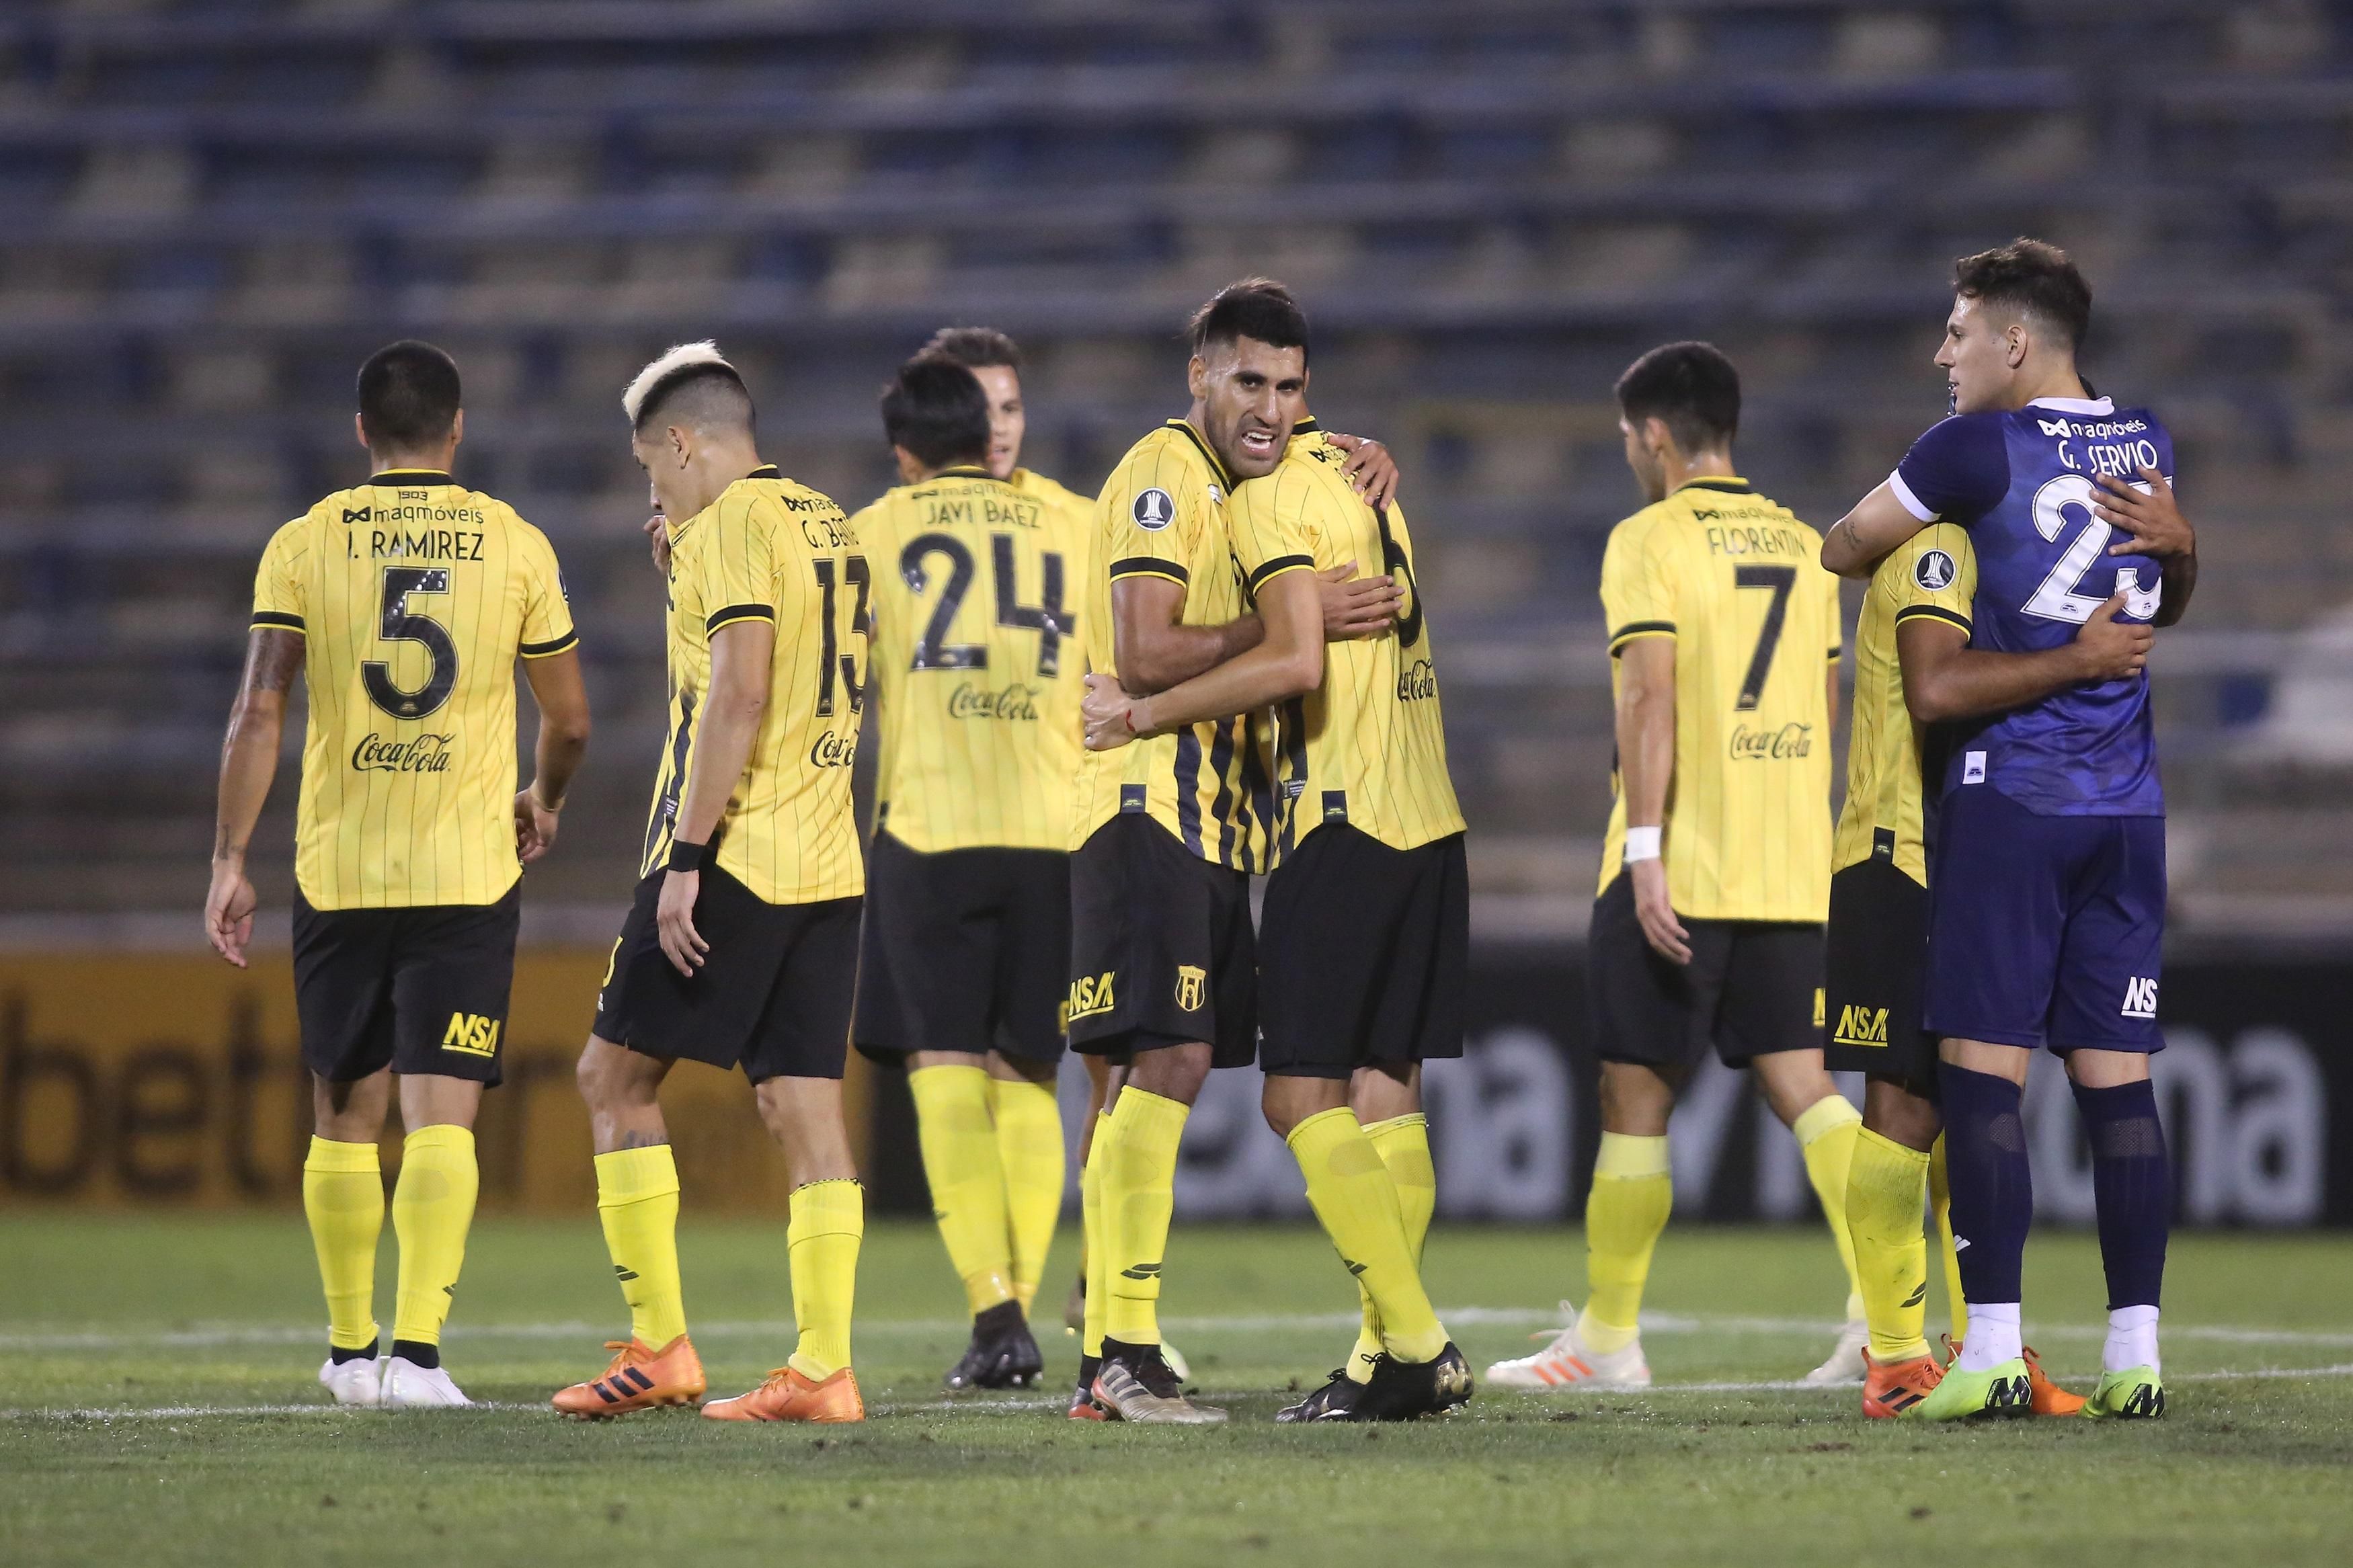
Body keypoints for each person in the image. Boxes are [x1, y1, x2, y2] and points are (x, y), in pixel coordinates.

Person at [1821, 239, 2196, 1420]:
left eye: (1958, 330)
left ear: (2014, 343)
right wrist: (2183, 554)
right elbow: (2160, 597)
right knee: (2119, 1088)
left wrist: (1939, 548)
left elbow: (1843, 542)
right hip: (2129, 807)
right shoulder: (2147, 443)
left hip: (2011, 799)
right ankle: (2138, 1354)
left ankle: (1987, 1348)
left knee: (1983, 1076)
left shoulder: (1974, 448)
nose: (1945, 352)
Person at [206, 339, 590, 1408]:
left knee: (342, 1108)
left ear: (360, 431)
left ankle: (345, 1347)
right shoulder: (514, 543)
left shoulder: (304, 542)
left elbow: (259, 708)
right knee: (442, 1115)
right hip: (466, 868)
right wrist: (545, 800)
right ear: (458, 430)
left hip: (340, 867)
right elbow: (568, 716)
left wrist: (230, 858)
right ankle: (416, 1356)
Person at [1083, 376, 1473, 1423]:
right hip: (1397, 817)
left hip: (1324, 819)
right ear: (1204, 379)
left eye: (1287, 387)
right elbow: (1151, 642)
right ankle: (1143, 1343)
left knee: (1297, 1094)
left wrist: (1145, 713)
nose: (1271, 406)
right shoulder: (1351, 483)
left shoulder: (1271, 492)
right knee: (1373, 1086)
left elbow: (1292, 655)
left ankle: (1408, 1344)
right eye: (1251, 382)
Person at [1487, 341, 1864, 1393]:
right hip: (1788, 862)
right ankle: (1885, 1318)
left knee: (1634, 1095)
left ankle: (1608, 1340)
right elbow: (1823, 705)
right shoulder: (1803, 543)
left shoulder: (1648, 540)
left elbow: (1648, 698)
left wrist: (1647, 851)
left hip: (1685, 863)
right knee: (1807, 1086)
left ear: (1655, 435)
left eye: (1627, 440)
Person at [552, 343, 869, 1424]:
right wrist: (683, 564)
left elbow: (737, 695)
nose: (656, 493)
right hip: (828, 856)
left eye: (654, 471)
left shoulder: (730, 524)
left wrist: (686, 860)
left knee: (613, 1079)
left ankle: (659, 1346)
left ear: (684, 444)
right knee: (801, 1103)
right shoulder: (827, 519)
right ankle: (823, 1367)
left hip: (735, 854)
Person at [1831, 517, 2151, 1417]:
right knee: (1904, 1104)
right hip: (1902, 851)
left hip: (1974, 850)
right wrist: (2078, 661)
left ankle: (1991, 1351)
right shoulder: (1941, 544)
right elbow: (1937, 687)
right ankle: (1895, 1357)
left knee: (1972, 1098)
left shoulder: (2007, 545)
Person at [846, 356, 1091, 1391]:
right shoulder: (1079, 527)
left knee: (941, 1066)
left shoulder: (872, 534)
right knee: (1028, 1072)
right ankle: (1019, 1314)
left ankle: (995, 1310)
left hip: (932, 826)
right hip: (1054, 828)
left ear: (904, 452)